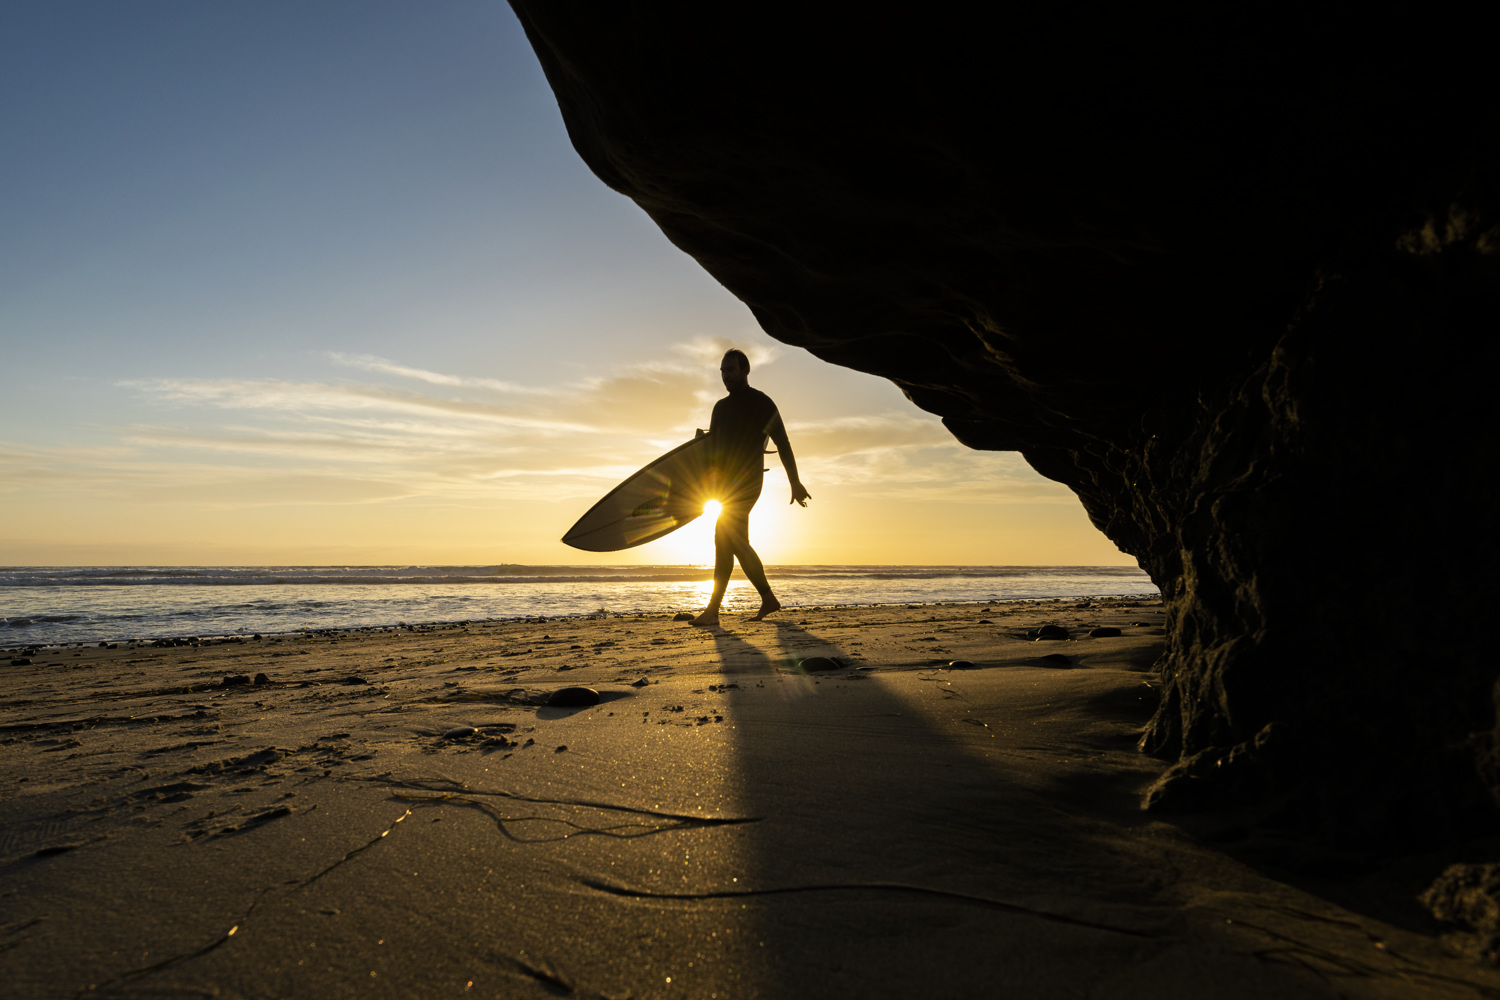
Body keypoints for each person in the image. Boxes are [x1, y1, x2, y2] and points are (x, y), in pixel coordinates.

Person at [691, 349, 811, 625]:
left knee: (727, 535)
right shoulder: (720, 408)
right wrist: (699, 488)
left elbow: (782, 442)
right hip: (725, 485)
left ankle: (734, 605)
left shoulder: (761, 403)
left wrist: (794, 482)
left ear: (745, 371)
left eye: (730, 370)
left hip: (748, 481)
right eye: (722, 371)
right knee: (726, 541)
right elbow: (714, 451)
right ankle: (725, 609)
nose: (725, 376)